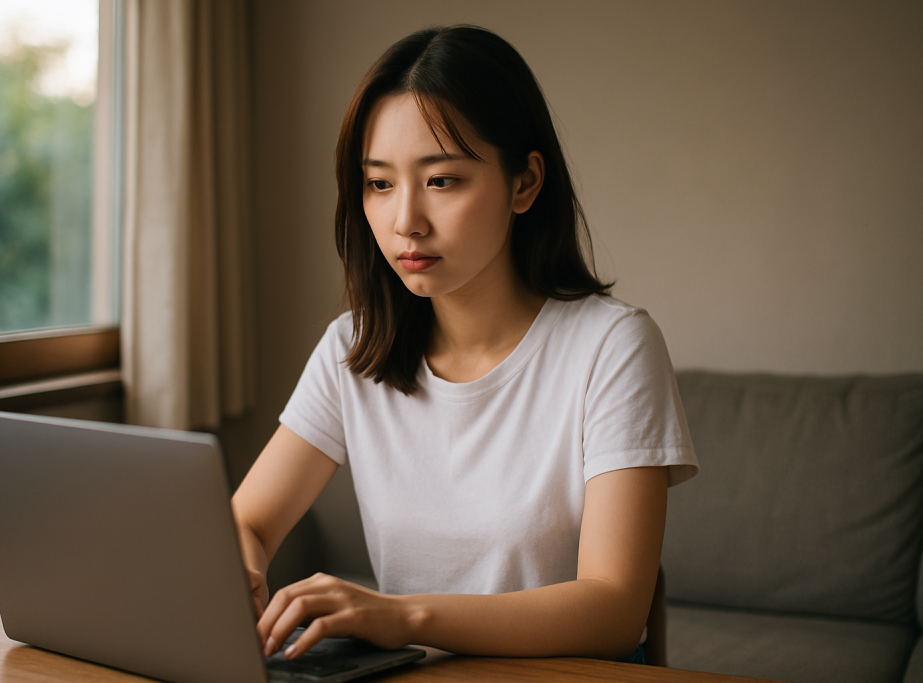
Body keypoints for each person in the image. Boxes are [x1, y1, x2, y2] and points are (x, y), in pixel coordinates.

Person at [231, 24, 698, 664]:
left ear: (524, 183)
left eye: (443, 180)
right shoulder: (355, 348)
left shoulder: (612, 346)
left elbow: (615, 609)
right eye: (379, 183)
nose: (405, 223)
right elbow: (248, 520)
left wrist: (402, 616)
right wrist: (243, 565)